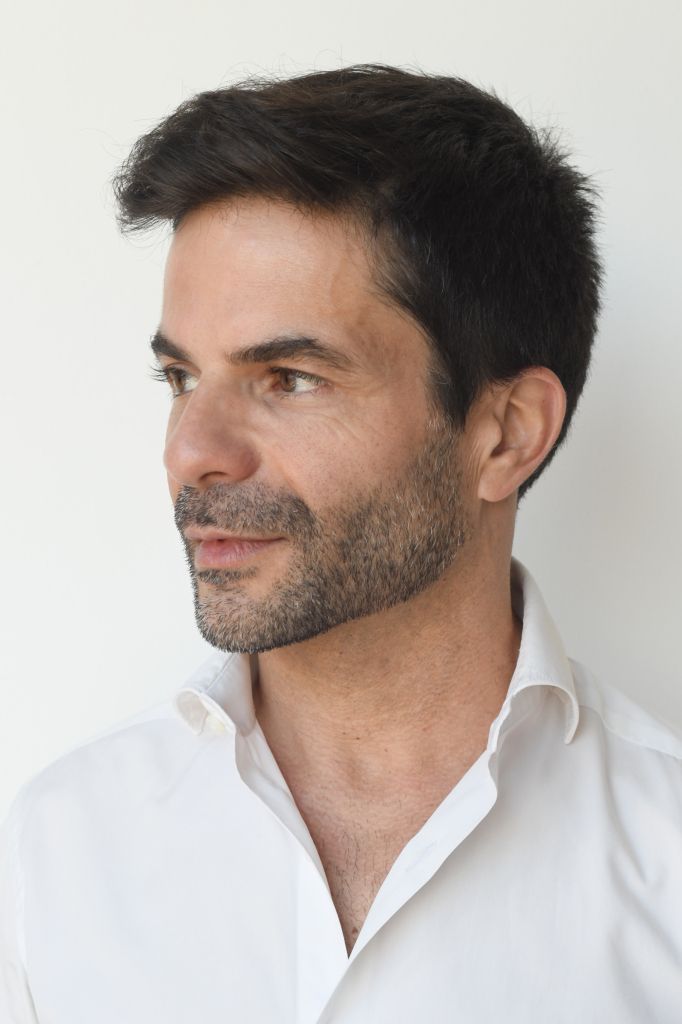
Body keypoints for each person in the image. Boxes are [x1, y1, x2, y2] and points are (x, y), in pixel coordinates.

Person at [1, 64, 680, 1023]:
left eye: (289, 378)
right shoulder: (55, 857)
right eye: (180, 378)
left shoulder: (665, 868)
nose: (190, 453)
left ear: (506, 434)